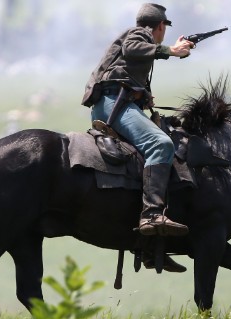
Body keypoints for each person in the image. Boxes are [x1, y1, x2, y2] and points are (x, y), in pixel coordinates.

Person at [81, 3, 193, 238]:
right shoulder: (139, 33)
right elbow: (132, 48)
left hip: (114, 103)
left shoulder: (140, 37)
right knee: (161, 145)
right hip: (115, 104)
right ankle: (151, 214)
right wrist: (171, 51)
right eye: (164, 28)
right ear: (160, 26)